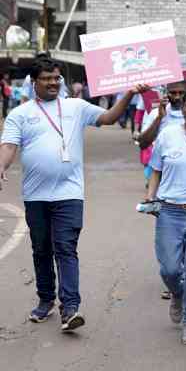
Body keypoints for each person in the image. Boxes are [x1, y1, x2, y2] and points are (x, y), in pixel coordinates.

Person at [0, 57, 148, 332]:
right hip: (35, 195)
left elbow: (108, 117)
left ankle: (70, 307)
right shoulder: (20, 114)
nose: (53, 83)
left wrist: (128, 93)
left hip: (69, 192)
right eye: (46, 79)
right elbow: (8, 146)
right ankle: (45, 300)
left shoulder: (75, 107)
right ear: (35, 83)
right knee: (41, 249)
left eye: (56, 78)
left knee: (65, 247)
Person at [145, 89, 186, 345]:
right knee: (170, 269)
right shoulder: (168, 134)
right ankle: (178, 294)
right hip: (169, 210)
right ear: (182, 108)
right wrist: (151, 197)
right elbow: (155, 170)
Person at [138, 81, 186, 150]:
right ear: (166, 93)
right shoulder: (156, 113)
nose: (177, 97)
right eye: (173, 93)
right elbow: (142, 144)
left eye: (181, 93)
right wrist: (159, 117)